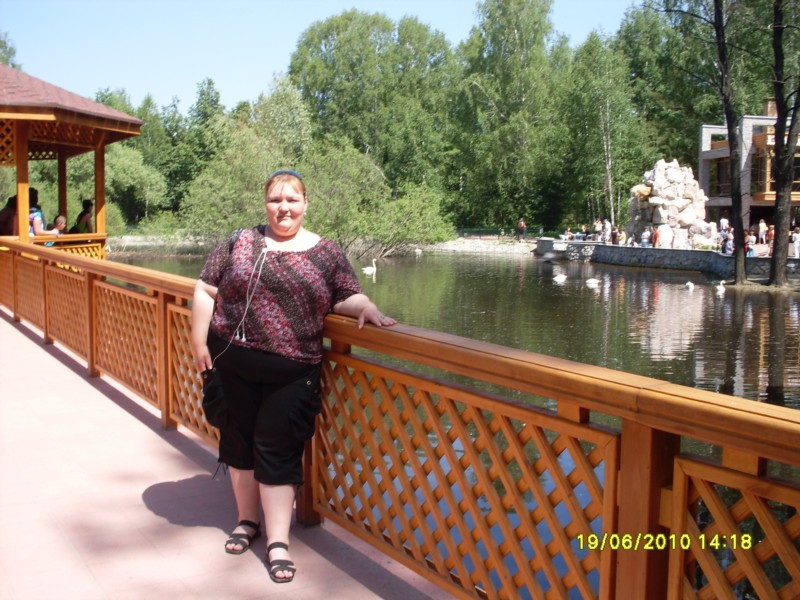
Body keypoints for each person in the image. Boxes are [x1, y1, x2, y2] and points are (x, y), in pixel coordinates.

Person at [190, 170, 396, 584]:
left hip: (293, 371)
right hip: (231, 363)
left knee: (278, 452)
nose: (283, 208)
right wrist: (198, 342)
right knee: (238, 444)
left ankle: (278, 542)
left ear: (305, 203)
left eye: (291, 200)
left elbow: (346, 293)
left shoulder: (326, 252)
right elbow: (205, 289)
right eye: (275, 200)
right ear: (265, 203)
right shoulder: (239, 241)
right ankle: (247, 521)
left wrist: (365, 307)